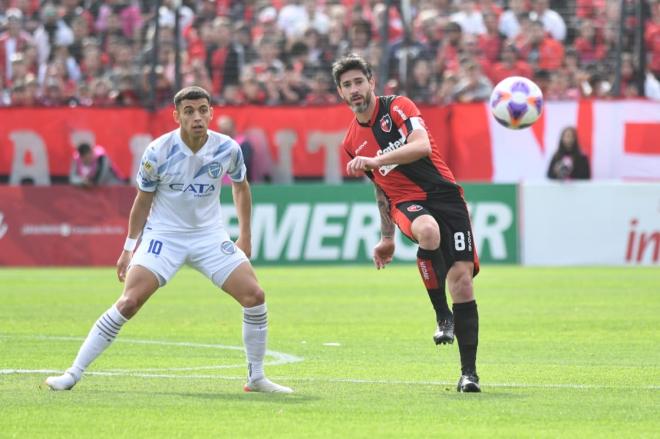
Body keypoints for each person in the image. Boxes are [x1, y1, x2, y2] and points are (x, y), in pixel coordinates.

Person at [45, 86, 293, 394]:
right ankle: (72, 373)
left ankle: (256, 377)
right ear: (176, 116)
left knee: (254, 295)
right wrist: (128, 248)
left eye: (203, 110)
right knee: (129, 302)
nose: (197, 117)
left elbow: (240, 187)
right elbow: (142, 200)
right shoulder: (158, 151)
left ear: (211, 113)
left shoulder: (227, 148)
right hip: (164, 236)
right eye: (189, 112)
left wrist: (245, 235)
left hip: (209, 236)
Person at [332, 54, 481, 393]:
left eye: (359, 82)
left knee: (463, 284)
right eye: (347, 85)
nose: (354, 89)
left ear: (371, 82)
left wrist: (378, 159)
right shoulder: (352, 142)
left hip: (447, 197)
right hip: (406, 203)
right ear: (340, 93)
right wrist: (387, 237)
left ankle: (469, 374)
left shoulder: (398, 106)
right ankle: (443, 316)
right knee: (427, 231)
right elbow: (381, 191)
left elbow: (421, 145)